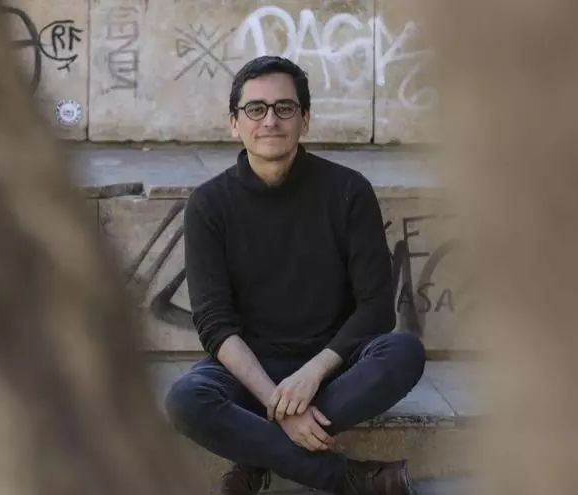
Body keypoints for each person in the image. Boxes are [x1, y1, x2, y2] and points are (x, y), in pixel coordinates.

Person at [164, 55, 427, 495]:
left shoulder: (348, 191)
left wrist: (312, 374)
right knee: (185, 400)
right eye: (256, 109)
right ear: (234, 123)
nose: (270, 120)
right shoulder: (209, 205)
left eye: (284, 108)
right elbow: (214, 324)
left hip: (333, 366)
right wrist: (276, 401)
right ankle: (350, 479)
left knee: (404, 353)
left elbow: (376, 307)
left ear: (305, 119)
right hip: (250, 372)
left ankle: (254, 455)